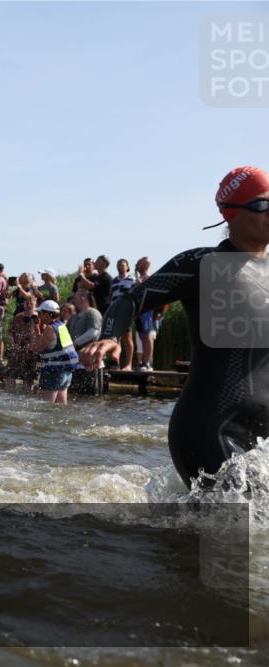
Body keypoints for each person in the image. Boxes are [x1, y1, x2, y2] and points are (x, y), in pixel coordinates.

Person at [82, 166, 269, 488]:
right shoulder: (202, 264)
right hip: (212, 429)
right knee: (240, 520)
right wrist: (110, 336)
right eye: (263, 205)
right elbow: (131, 300)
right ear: (231, 213)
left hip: (262, 439)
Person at [31, 299, 78, 404]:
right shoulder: (61, 326)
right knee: (61, 405)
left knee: (46, 406)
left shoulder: (49, 329)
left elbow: (36, 348)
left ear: (47, 314)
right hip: (66, 371)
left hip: (54, 371)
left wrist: (36, 331)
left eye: (40, 313)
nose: (39, 315)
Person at [2, 294, 39, 392]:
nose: (29, 305)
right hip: (18, 350)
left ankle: (26, 395)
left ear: (35, 304)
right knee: (10, 374)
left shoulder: (39, 317)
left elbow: (42, 334)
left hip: (32, 353)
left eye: (31, 303)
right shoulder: (18, 317)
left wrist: (36, 346)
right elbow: (10, 332)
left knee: (29, 378)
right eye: (26, 303)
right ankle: (9, 395)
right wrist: (14, 344)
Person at [110, 258, 137, 370]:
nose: (120, 267)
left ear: (127, 267)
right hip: (115, 312)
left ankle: (128, 364)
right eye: (118, 265)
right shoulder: (113, 281)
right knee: (116, 338)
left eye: (122, 265)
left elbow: (135, 296)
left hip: (127, 312)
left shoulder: (132, 280)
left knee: (127, 338)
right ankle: (116, 363)